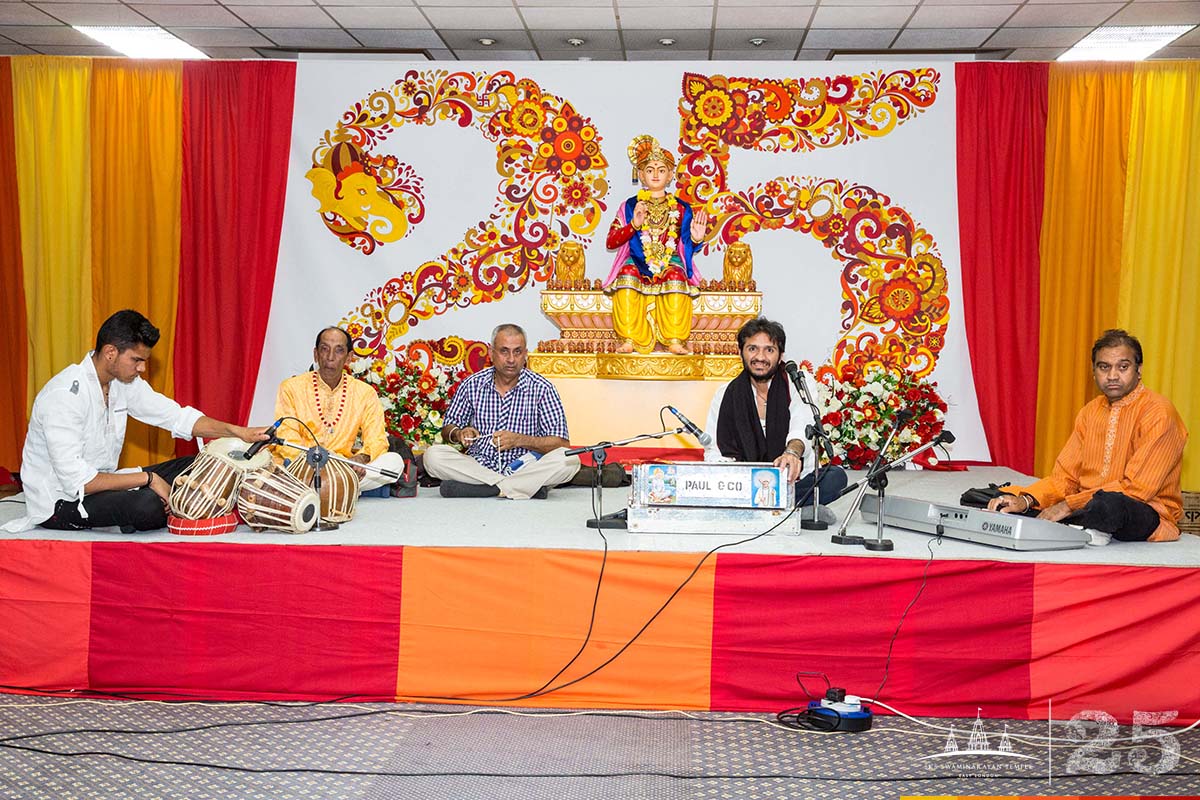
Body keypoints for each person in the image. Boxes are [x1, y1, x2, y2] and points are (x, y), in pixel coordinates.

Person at [2, 309, 270, 534]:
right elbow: (79, 483)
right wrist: (148, 478)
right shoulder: (64, 396)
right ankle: (143, 510)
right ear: (110, 352)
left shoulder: (123, 382)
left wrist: (239, 432)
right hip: (62, 503)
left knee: (204, 464)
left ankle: (140, 510)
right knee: (147, 506)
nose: (142, 368)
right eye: (137, 360)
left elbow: (176, 417)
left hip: (105, 486)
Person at [988, 329, 1187, 542]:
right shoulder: (1090, 411)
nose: (1112, 376)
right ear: (1094, 372)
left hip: (1143, 510)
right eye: (1104, 367)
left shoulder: (1159, 413)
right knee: (996, 500)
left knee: (1110, 505)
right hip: (1085, 504)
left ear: (1139, 370)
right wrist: (1026, 500)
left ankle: (1082, 521)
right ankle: (1082, 523)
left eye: (1123, 367)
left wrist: (1067, 505)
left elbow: (1137, 490)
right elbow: (1065, 478)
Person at [704, 317, 848, 511]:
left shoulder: (798, 383)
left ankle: (762, 505)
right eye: (752, 348)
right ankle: (789, 508)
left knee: (835, 477)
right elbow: (714, 449)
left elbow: (801, 424)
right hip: (743, 483)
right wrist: (731, 479)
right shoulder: (726, 394)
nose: (760, 357)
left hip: (791, 481)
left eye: (769, 350)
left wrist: (791, 453)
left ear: (780, 355)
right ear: (741, 353)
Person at [423, 324, 580, 499]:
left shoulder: (543, 388)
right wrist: (460, 433)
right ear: (491, 353)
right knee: (433, 456)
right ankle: (518, 487)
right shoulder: (472, 384)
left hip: (526, 466)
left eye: (517, 352)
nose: (511, 359)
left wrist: (520, 440)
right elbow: (448, 429)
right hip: (478, 466)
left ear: (526, 354)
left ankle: (490, 488)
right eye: (504, 351)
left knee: (569, 460)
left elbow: (561, 444)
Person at [603, 135, 708, 355]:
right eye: (650, 170)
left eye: (661, 170)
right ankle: (629, 337)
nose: (656, 174)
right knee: (628, 274)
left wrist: (697, 238)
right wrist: (633, 224)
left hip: (671, 261)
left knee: (676, 277)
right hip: (638, 260)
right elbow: (611, 241)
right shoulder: (630, 206)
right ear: (641, 174)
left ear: (670, 175)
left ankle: (674, 339)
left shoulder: (681, 208)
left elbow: (687, 244)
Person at [271, 326, 407, 495]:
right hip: (303, 466)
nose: (330, 357)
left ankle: (328, 488)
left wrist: (360, 458)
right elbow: (287, 437)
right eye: (324, 349)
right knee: (266, 461)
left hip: (344, 465)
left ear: (349, 357)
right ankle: (341, 488)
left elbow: (377, 439)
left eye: (339, 351)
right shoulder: (291, 387)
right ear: (316, 353)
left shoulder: (364, 392)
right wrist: (314, 465)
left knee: (394, 463)